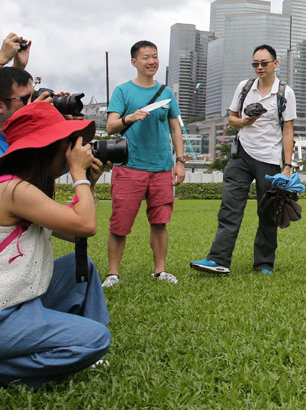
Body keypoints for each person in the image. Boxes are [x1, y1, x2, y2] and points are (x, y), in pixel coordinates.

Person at [0, 102, 110, 388]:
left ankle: (83, 344)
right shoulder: (12, 191)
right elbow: (86, 225)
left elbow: (75, 234)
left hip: (20, 300)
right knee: (95, 340)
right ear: (45, 148)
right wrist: (78, 176)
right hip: (4, 313)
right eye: (67, 144)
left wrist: (88, 183)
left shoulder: (28, 188)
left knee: (80, 268)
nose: (71, 151)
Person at [191, 44, 296, 275]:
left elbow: (288, 130)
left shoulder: (284, 92)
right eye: (255, 63)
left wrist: (287, 166)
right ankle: (218, 259)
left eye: (264, 63)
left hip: (269, 158)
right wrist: (244, 122)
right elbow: (232, 118)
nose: (259, 67)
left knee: (267, 211)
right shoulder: (245, 87)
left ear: (275, 64)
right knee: (229, 208)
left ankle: (264, 263)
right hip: (241, 155)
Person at [104, 40, 185, 287]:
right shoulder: (123, 91)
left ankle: (160, 271)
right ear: (134, 62)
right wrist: (128, 118)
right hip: (129, 167)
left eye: (155, 56)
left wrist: (179, 161)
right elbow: (110, 126)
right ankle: (113, 274)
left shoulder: (166, 93)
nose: (152, 61)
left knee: (160, 221)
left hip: (161, 167)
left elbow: (175, 128)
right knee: (120, 223)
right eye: (146, 57)